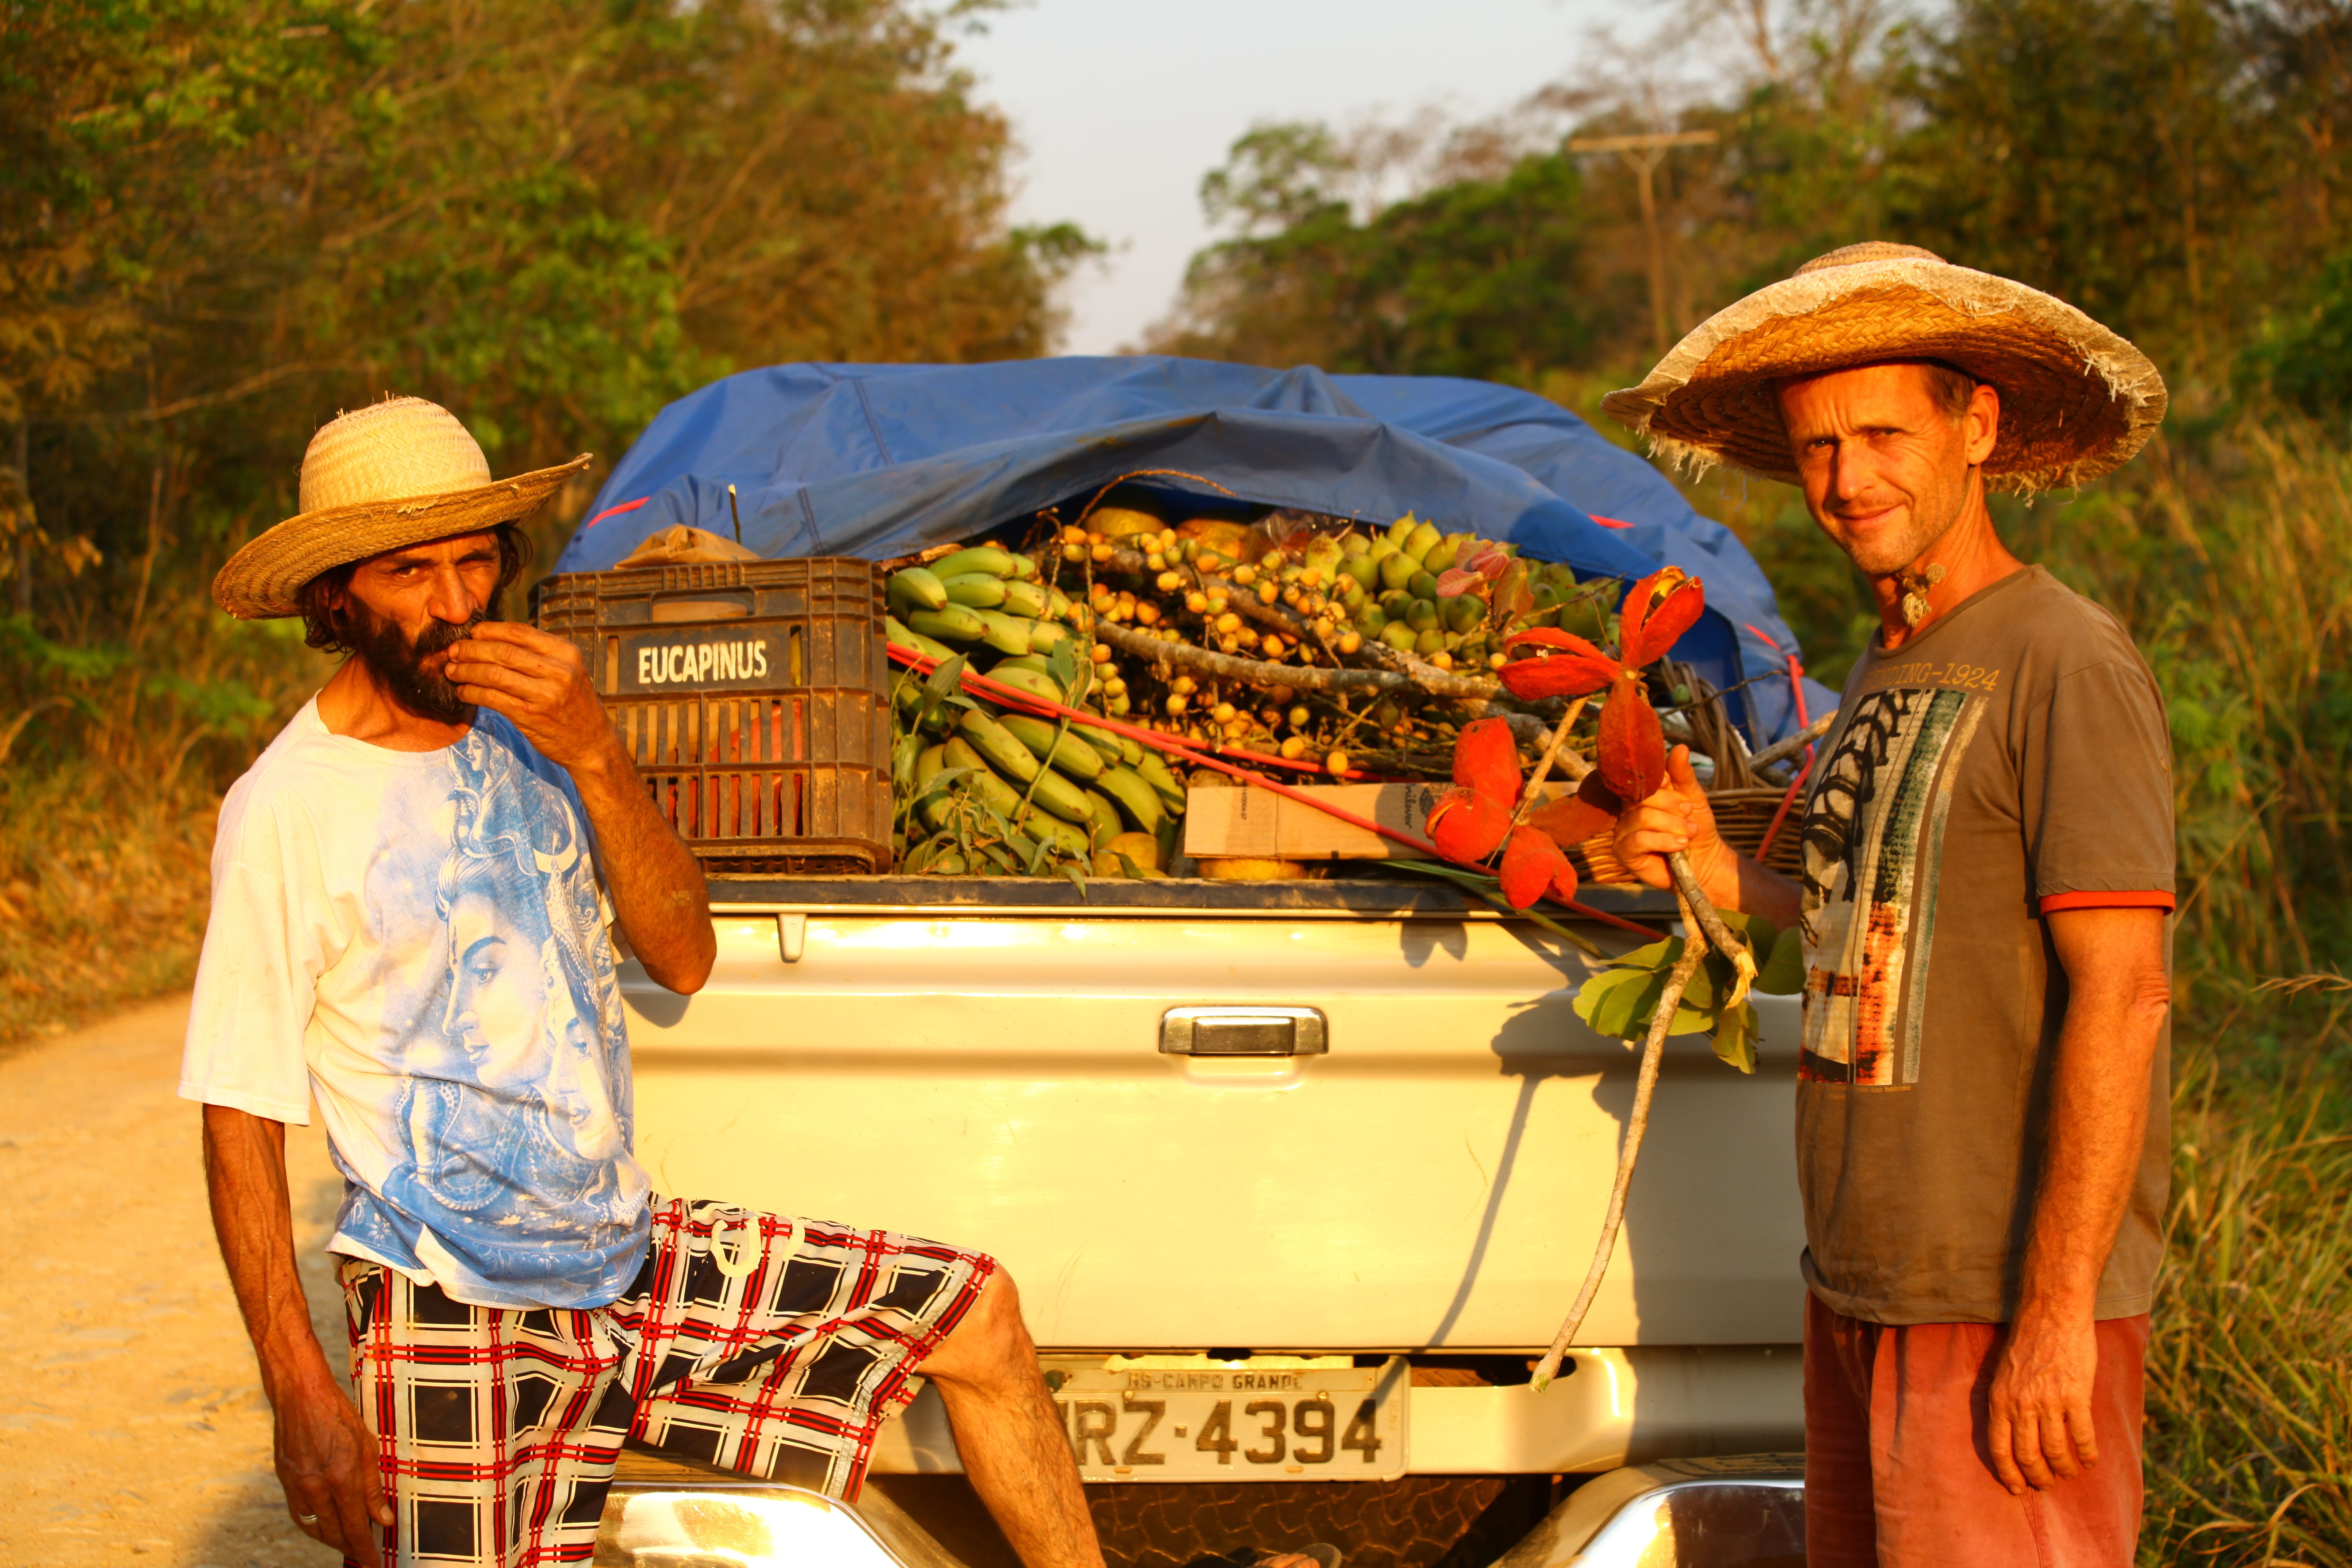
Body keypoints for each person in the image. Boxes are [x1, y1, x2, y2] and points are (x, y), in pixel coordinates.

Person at [181, 397, 1109, 1568]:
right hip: (448, 1302)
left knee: (976, 1314)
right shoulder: (287, 806)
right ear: (337, 600)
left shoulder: (541, 733)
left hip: (625, 1257)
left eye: (475, 562)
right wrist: (299, 1391)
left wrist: (598, 749)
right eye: (410, 573)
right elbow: (239, 1117)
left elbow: (684, 955)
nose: (455, 603)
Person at [1598, 244, 2177, 1567]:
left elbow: (2127, 990)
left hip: (1996, 1300)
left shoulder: (2061, 659)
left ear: (1977, 426)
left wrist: (2053, 1319)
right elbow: (1863, 918)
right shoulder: (1894, 657)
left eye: (1881, 434)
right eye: (1816, 447)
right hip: (1863, 1285)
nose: (1847, 480)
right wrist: (1706, 864)